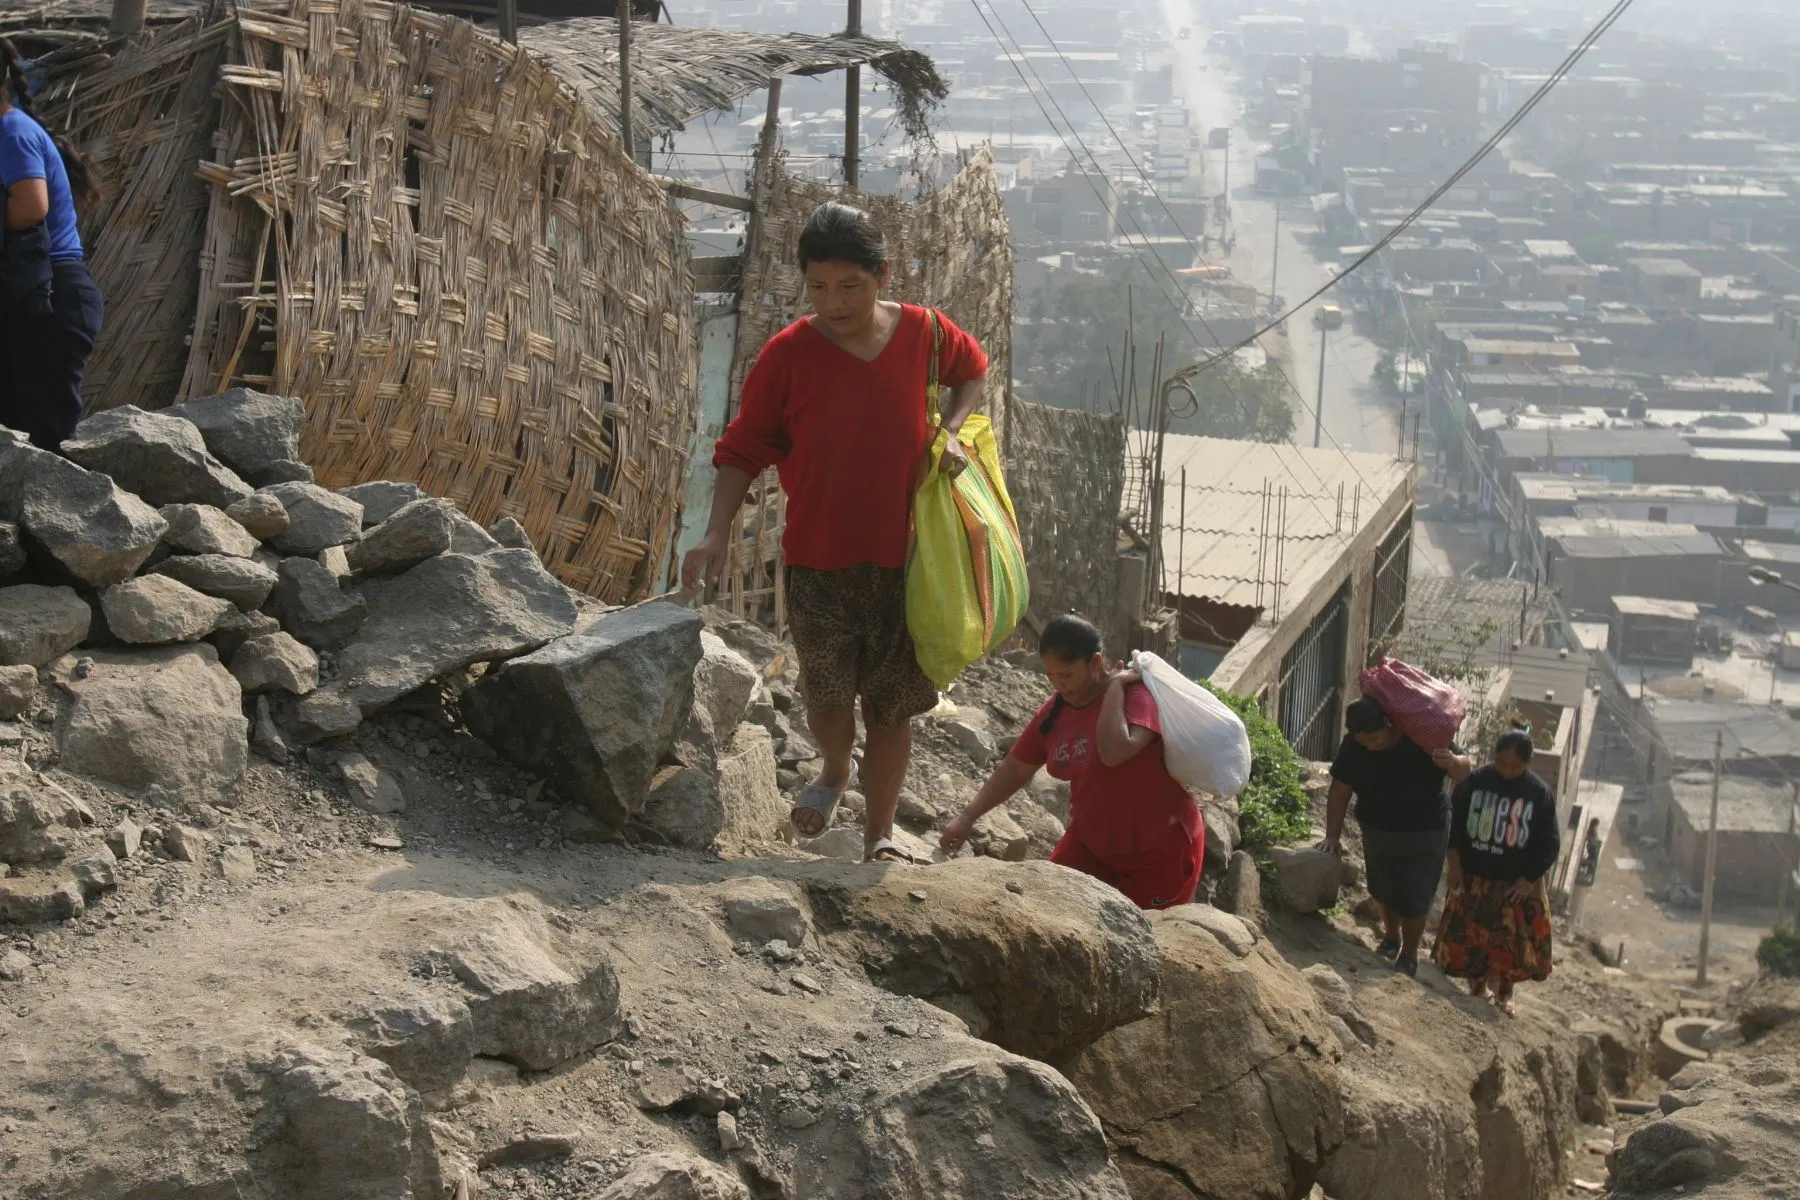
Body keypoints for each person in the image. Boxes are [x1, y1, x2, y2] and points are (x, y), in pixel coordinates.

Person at [681, 201, 988, 864]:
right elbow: (742, 449)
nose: (834, 302)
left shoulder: (925, 334)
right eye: (818, 287)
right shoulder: (788, 356)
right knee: (825, 700)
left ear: (883, 275)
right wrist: (714, 534)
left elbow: (972, 371)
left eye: (849, 286)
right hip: (819, 562)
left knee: (891, 709)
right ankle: (832, 768)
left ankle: (879, 834)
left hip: (908, 563)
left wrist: (951, 427)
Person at [938, 614, 1204, 910]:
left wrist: (1115, 688)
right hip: (1092, 845)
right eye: (1051, 676)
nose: (1059, 686)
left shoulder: (1136, 695)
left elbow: (1114, 752)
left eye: (1066, 675)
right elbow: (1016, 767)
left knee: (1140, 937)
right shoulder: (1054, 715)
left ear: (1095, 662)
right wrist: (967, 817)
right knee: (1048, 911)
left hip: (1158, 853)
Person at [0, 38, 103, 451]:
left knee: (45, 448)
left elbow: (29, 207)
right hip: (31, 298)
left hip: (51, 301)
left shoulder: (11, 132)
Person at [1320, 697, 1470, 976]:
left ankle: (1409, 955)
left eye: (1375, 738)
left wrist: (1451, 761)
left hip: (1426, 830)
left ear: (1388, 724)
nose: (1370, 746)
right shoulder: (1354, 745)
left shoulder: (1422, 735)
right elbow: (1340, 790)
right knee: (1383, 887)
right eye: (1363, 741)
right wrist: (1332, 836)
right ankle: (1391, 937)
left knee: (1417, 894)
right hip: (1378, 827)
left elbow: (1463, 769)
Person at [1433, 728, 1561, 1016]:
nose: (1506, 770)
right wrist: (1454, 865)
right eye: (1501, 763)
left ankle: (1505, 992)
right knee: (1472, 936)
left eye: (1514, 766)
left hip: (1514, 884)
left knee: (1509, 942)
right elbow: (1453, 826)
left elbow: (1550, 844)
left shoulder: (1539, 794)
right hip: (1475, 877)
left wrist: (1528, 880)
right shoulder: (1475, 782)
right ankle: (1477, 988)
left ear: (1528, 763)